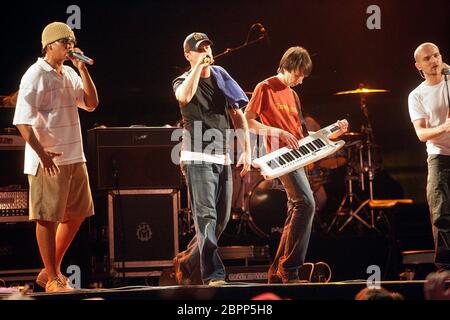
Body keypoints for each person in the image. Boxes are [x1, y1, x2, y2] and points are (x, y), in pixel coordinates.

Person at [244, 46, 348, 283]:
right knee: (306, 203)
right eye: (299, 74)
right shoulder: (265, 87)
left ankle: (277, 271)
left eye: (303, 76)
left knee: (296, 208)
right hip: (280, 157)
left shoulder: (293, 95)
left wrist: (332, 132)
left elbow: (302, 134)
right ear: (288, 66)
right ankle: (290, 268)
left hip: (297, 155)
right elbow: (248, 122)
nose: (300, 80)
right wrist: (277, 131)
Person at [12, 22, 99, 292]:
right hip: (47, 159)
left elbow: (92, 104)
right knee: (47, 218)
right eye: (65, 43)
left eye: (72, 42)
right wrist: (41, 153)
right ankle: (52, 278)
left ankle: (48, 270)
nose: (70, 47)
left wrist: (83, 70)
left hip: (74, 155)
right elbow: (22, 121)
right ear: (50, 45)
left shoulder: (70, 73)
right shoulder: (35, 75)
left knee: (77, 214)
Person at [172, 32, 251, 286]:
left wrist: (247, 150)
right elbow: (184, 97)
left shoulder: (221, 75)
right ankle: (213, 275)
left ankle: (188, 261)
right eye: (199, 49)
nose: (206, 52)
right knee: (206, 218)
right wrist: (197, 67)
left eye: (208, 47)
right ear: (188, 54)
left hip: (223, 156)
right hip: (196, 157)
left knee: (221, 220)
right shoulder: (182, 80)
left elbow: (238, 114)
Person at [408, 42, 450, 272]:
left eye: (436, 55)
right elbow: (421, 134)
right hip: (439, 156)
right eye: (428, 58)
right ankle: (445, 268)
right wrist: (444, 127)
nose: (434, 61)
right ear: (418, 66)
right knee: (440, 211)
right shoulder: (417, 95)